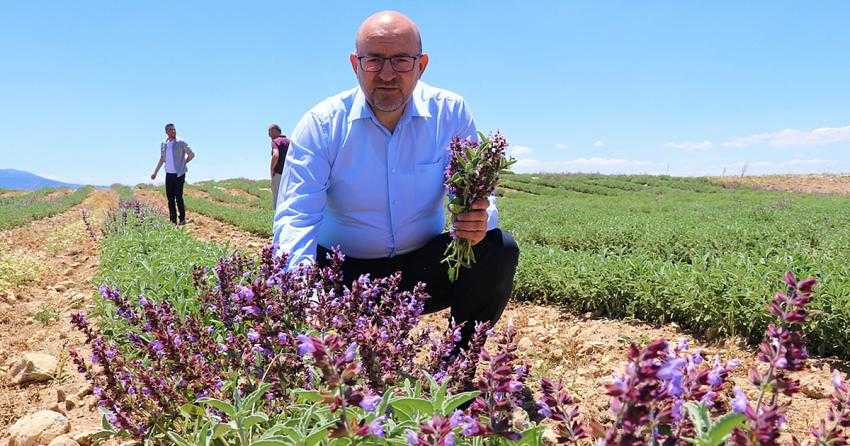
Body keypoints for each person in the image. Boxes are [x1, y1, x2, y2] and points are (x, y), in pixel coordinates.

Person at [272, 10, 519, 348]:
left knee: (497, 247)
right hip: (343, 274)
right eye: (373, 60)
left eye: (402, 61)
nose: (387, 74)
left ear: (422, 64)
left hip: (421, 268)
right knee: (288, 270)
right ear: (355, 64)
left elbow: (475, 193)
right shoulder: (322, 124)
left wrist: (479, 218)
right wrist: (305, 301)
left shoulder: (450, 113)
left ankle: (458, 367)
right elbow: (296, 218)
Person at [151, 123, 195, 225]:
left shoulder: (181, 142)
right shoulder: (164, 145)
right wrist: (155, 172)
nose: (173, 131)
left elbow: (192, 154)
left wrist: (183, 163)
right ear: (167, 132)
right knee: (170, 198)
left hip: (179, 174)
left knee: (178, 196)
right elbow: (162, 159)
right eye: (171, 130)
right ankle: (173, 221)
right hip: (169, 174)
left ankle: (182, 219)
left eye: (174, 129)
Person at [268, 124, 290, 210]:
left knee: (277, 199)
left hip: (279, 174)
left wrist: (272, 169)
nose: (269, 135)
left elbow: (276, 155)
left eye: (269, 132)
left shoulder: (275, 141)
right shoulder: (290, 142)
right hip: (289, 175)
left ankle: (277, 221)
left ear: (275, 131)